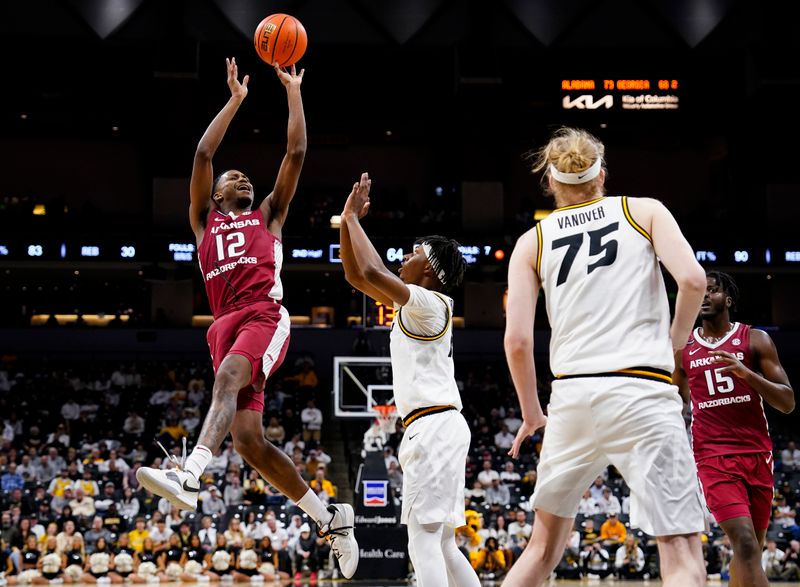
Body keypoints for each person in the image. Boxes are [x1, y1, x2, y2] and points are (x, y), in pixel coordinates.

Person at [133, 57, 357, 578]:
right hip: (222, 324)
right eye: (233, 177)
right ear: (215, 196)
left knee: (229, 379)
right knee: (250, 443)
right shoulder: (202, 222)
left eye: (245, 176)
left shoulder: (270, 215)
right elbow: (204, 152)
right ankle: (331, 519)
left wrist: (293, 91)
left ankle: (190, 475)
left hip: (263, 313)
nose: (241, 177)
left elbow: (296, 151)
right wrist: (235, 99)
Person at [502, 127, 707, 587]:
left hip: (572, 397)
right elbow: (693, 281)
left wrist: (533, 413)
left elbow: (516, 342)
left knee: (541, 551)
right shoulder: (644, 211)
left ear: (550, 182)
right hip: (641, 390)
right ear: (603, 175)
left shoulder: (530, 242)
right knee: (679, 549)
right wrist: (675, 343)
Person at [339, 172, 478, 587]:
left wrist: (353, 219)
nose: (405, 255)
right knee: (444, 543)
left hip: (433, 426)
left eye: (415, 252)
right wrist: (348, 221)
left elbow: (373, 268)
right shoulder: (420, 306)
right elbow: (355, 275)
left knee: (423, 539)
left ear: (431, 270)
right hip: (442, 425)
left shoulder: (430, 303)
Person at [674, 271, 794, 587]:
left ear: (727, 300)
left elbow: (787, 402)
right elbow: (675, 405)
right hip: (712, 456)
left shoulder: (755, 339)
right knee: (742, 542)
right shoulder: (683, 349)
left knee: (749, 549)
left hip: (757, 454)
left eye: (711, 290)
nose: (704, 296)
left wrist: (746, 374)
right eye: (699, 290)